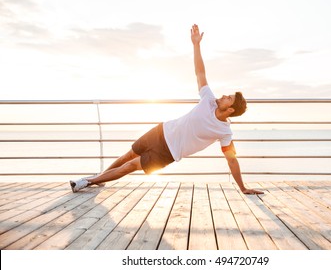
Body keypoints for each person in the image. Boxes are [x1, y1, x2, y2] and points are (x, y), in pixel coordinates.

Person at [70, 24, 263, 195]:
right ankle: (99, 179)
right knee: (128, 155)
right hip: (161, 131)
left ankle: (86, 181)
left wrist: (243, 187)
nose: (223, 96)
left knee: (130, 166)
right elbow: (200, 72)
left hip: (168, 152)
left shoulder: (224, 132)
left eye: (228, 98)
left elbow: (232, 161)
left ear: (230, 110)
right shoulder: (209, 100)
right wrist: (196, 45)